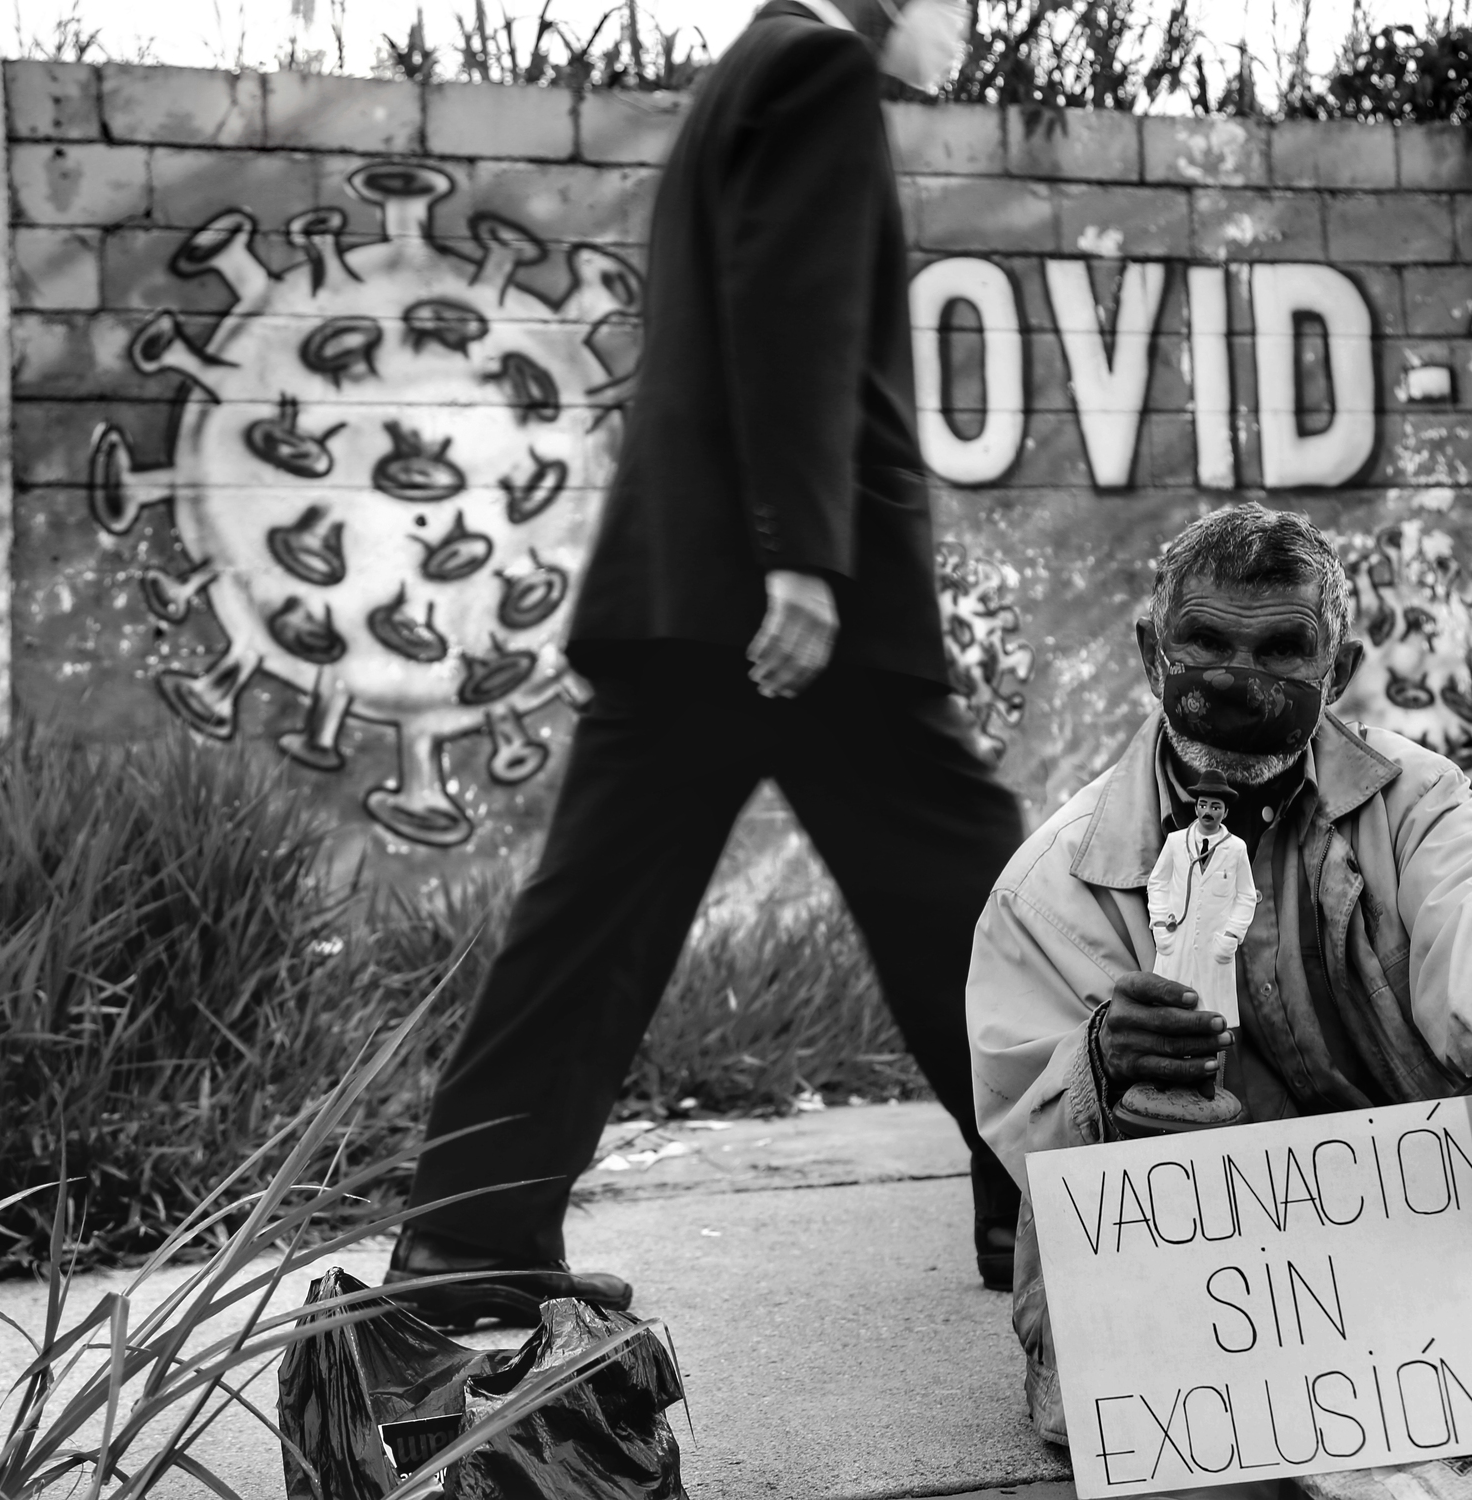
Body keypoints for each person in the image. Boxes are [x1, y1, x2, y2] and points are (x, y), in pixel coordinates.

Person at [384, 0, 1024, 1330]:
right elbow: (790, 318)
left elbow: (734, 321)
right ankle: (1063, 1198)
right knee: (977, 897)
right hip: (794, 601)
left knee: (595, 924)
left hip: (694, 594)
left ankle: (470, 1237)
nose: (964, 29)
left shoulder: (747, 72)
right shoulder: (818, 68)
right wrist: (802, 558)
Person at [964, 502, 1472, 1445]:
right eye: (1203, 641)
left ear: (1337, 671)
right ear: (1150, 653)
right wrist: (1099, 1058)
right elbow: (1023, 1111)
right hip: (1207, 1275)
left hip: (1400, 1219)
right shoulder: (1055, 879)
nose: (1240, 684)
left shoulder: (1415, 797)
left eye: (1283, 650)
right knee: (1210, 1436)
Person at [1121, 769, 1257, 1133]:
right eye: (1202, 804)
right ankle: (1165, 1075)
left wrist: (1231, 935)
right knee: (1172, 1011)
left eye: (1215, 805)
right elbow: (1158, 882)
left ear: (1224, 812)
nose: (1207, 811)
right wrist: (1161, 922)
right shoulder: (1176, 842)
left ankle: (1205, 1079)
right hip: (1176, 941)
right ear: (1195, 806)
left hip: (1214, 948)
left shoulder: (1236, 849)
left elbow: (1246, 896)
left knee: (1210, 1016)